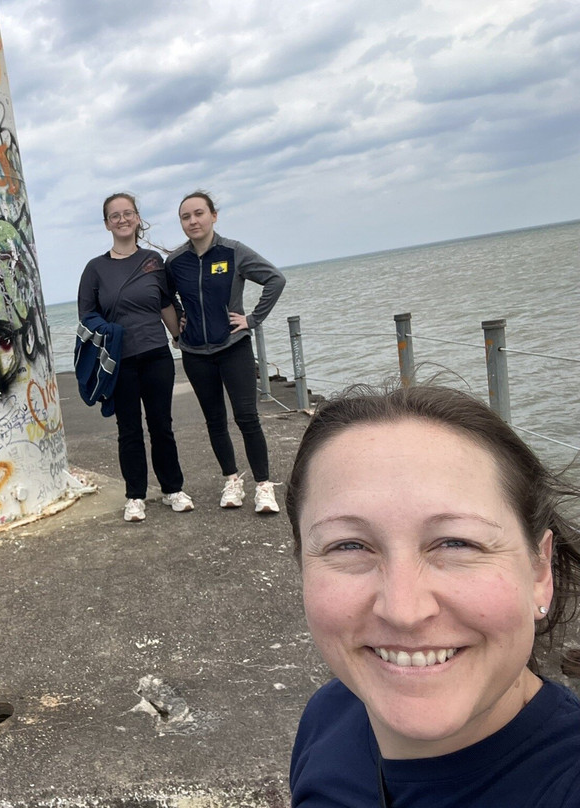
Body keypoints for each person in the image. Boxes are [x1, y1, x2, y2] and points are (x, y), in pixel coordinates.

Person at [286, 384, 580, 807]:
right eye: (349, 545)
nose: (404, 611)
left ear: (538, 571)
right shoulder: (330, 714)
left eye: (456, 543)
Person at [164, 191, 286, 514]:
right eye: (186, 217)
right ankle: (232, 481)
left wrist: (252, 319)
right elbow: (164, 296)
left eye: (199, 213)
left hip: (233, 348)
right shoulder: (175, 262)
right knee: (215, 420)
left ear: (213, 216)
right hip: (194, 353)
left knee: (248, 418)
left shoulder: (234, 252)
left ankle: (263, 486)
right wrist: (178, 327)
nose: (193, 221)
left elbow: (275, 279)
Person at [77, 192, 193, 523]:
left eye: (128, 213)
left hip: (156, 356)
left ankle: (173, 489)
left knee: (162, 427)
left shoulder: (154, 262)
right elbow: (86, 315)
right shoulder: (95, 269)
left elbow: (167, 303)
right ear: (106, 224)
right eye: (115, 215)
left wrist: (181, 338)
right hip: (119, 362)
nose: (122, 219)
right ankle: (135, 496)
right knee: (128, 430)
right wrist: (110, 331)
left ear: (138, 218)